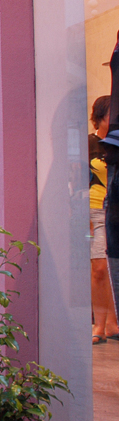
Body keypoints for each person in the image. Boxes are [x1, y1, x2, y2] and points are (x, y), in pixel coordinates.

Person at [89, 96, 117, 344]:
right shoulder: (89, 143)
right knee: (98, 268)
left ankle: (111, 323)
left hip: (114, 209)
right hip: (93, 210)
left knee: (111, 267)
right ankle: (99, 323)